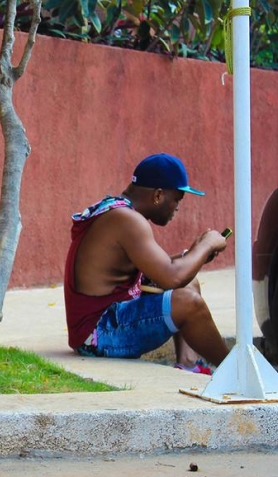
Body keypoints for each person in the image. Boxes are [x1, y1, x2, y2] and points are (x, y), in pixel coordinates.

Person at [63, 153, 230, 373]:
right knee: (188, 302)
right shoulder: (128, 220)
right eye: (177, 199)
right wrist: (205, 246)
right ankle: (240, 373)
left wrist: (192, 256)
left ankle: (189, 366)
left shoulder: (118, 211)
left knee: (190, 284)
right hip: (97, 338)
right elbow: (172, 277)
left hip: (105, 321)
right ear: (158, 195)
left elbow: (160, 271)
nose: (177, 208)